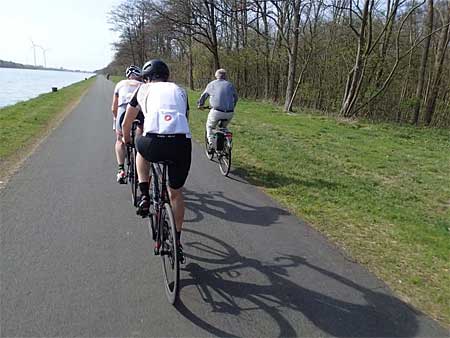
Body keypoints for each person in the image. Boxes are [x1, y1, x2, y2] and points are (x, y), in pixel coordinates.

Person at [122, 59, 191, 256]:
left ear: (146, 78)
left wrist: (127, 139)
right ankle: (176, 241)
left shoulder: (143, 89)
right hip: (181, 145)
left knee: (139, 146)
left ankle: (144, 193)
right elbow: (185, 118)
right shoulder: (180, 91)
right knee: (176, 194)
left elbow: (127, 122)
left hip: (153, 144)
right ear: (167, 76)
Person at [111, 65, 143, 183]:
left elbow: (114, 108)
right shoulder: (143, 85)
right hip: (139, 110)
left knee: (120, 140)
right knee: (142, 137)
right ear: (139, 76)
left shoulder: (120, 84)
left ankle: (121, 170)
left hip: (123, 110)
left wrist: (116, 121)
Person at [197, 68, 238, 149]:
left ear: (216, 75)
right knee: (224, 127)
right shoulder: (230, 85)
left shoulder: (212, 84)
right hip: (230, 112)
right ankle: (227, 140)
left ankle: (211, 143)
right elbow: (236, 98)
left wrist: (200, 105)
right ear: (225, 76)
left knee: (210, 126)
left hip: (217, 112)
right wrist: (232, 106)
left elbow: (204, 96)